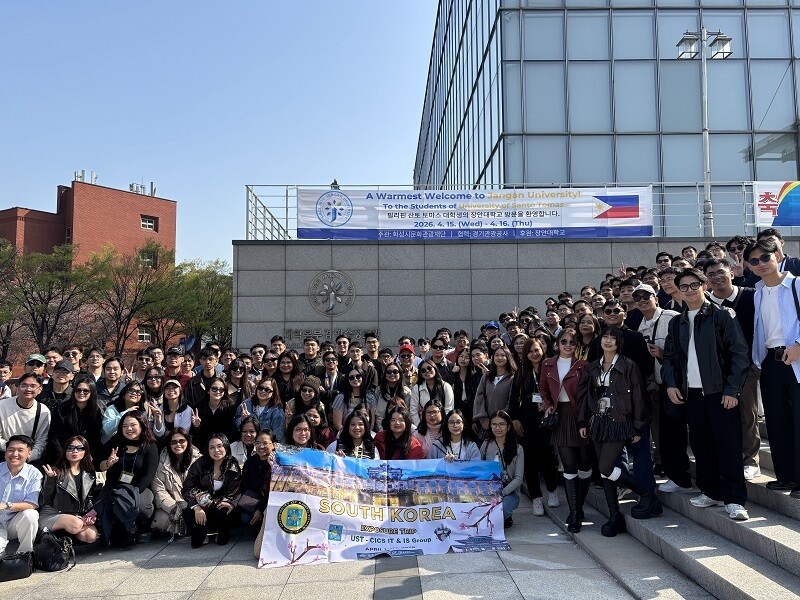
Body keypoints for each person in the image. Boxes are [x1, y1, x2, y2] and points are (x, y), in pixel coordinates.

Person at [662, 267, 750, 520]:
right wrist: (671, 384)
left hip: (720, 392)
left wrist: (732, 389)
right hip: (691, 393)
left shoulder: (722, 315)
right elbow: (669, 357)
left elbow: (739, 354)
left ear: (704, 286)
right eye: (684, 287)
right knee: (701, 445)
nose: (689, 290)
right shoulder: (677, 322)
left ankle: (735, 500)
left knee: (729, 446)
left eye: (694, 285)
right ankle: (711, 491)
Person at [578, 327, 662, 538]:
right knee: (605, 472)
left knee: (605, 467)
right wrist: (582, 421)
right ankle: (614, 516)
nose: (608, 341)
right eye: (605, 337)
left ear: (619, 343)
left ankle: (647, 494)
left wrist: (638, 426)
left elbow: (639, 396)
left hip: (621, 422)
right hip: (598, 422)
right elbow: (584, 396)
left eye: (613, 338)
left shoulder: (628, 365)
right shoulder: (593, 366)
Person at [747, 239, 800, 497]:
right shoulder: (757, 292)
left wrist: (799, 344)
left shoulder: (797, 285)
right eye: (754, 261)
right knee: (777, 421)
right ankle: (786, 477)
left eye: (765, 257)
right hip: (771, 360)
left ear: (777, 256)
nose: (761, 264)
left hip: (797, 358)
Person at [704, 258, 762, 482]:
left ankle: (751, 459)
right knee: (723, 416)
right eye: (711, 274)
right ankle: (730, 459)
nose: (717, 277)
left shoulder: (750, 296)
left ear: (731, 273)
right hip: (716, 369)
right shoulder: (705, 303)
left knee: (747, 413)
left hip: (747, 366)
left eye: (721, 272)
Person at [540, 328, 591, 533]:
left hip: (580, 416)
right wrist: (547, 405)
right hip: (559, 417)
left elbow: (587, 394)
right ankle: (575, 512)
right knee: (569, 465)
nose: (568, 345)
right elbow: (543, 389)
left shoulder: (584, 365)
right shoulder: (547, 364)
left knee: (585, 465)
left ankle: (579, 506)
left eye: (572, 342)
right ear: (557, 344)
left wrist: (584, 420)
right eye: (564, 341)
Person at [510, 337, 560, 516]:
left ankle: (552, 491)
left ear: (542, 350)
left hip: (547, 419)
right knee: (529, 461)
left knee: (547, 458)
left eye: (536, 350)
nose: (534, 354)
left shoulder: (551, 368)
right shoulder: (522, 371)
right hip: (527, 420)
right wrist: (514, 419)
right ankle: (536, 498)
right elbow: (514, 398)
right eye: (530, 351)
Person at [98, 411, 159, 545]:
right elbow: (98, 465)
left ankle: (141, 528)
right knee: (101, 507)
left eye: (133, 425)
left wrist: (129, 494)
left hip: (138, 488)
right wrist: (108, 463)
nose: (129, 429)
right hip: (113, 487)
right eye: (124, 426)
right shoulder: (115, 442)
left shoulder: (150, 446)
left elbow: (148, 476)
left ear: (142, 425)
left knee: (141, 508)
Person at [182, 433, 241, 548]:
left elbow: (235, 489)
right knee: (196, 542)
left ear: (226, 447)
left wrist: (230, 503)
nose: (216, 450)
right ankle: (203, 532)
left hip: (220, 505)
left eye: (219, 446)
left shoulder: (232, 465)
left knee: (222, 539)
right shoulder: (199, 464)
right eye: (212, 447)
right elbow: (187, 488)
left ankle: (220, 531)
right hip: (202, 503)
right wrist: (197, 507)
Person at [39, 435, 98, 543]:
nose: (74, 451)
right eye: (70, 448)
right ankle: (51, 538)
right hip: (52, 514)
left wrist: (90, 515)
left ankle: (63, 542)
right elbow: (44, 500)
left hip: (75, 516)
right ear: (65, 451)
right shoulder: (55, 471)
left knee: (91, 536)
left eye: (79, 448)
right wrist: (50, 480)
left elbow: (89, 499)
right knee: (76, 524)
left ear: (85, 451)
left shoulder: (89, 474)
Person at [151, 428, 201, 536]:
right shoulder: (161, 462)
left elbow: (203, 486)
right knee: (160, 522)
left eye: (181, 441)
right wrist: (176, 507)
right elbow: (158, 490)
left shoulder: (199, 460)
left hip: (194, 504)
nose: (178, 444)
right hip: (172, 505)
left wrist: (191, 505)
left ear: (188, 441)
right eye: (174, 442)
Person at [480, 410, 524, 528]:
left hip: (509, 493)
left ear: (508, 427)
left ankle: (506, 516)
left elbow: (519, 478)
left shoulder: (518, 449)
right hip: (487, 491)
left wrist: (501, 493)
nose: (497, 428)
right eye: (494, 424)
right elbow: (479, 469)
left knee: (499, 511)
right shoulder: (486, 444)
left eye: (502, 424)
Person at [46, 376, 103, 466]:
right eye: (78, 390)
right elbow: (55, 438)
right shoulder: (61, 410)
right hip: (61, 457)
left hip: (85, 458)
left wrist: (87, 458)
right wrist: (63, 459)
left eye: (86, 391)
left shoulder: (95, 411)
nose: (81, 393)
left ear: (92, 392)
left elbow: (95, 438)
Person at [0, 435, 42, 556]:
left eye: (20, 450)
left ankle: (24, 553)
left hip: (14, 522)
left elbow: (32, 504)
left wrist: (6, 505)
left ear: (29, 454)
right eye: (11, 450)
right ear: (5, 453)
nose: (15, 454)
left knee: (31, 514)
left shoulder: (34, 474)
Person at [0, 372, 51, 465]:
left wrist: (27, 457)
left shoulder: (43, 411)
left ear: (40, 389)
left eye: (33, 386)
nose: (28, 389)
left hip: (28, 458)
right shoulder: (2, 406)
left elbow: (41, 441)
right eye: (24, 385)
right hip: (3, 453)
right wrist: (12, 451)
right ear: (18, 387)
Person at [473, 347, 516, 441]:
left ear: (508, 357)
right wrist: (482, 418)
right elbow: (479, 397)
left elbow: (512, 400)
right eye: (496, 355)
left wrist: (500, 419)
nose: (499, 358)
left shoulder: (513, 377)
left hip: (505, 423)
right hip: (487, 424)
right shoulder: (487, 376)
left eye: (503, 355)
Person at [238, 430, 275, 527]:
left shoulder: (278, 463)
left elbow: (274, 490)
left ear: (273, 445)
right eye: (257, 443)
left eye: (265, 443)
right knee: (244, 517)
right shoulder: (250, 463)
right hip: (253, 501)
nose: (261, 446)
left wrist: (260, 509)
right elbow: (245, 486)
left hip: (271, 502)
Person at [235, 377, 285, 443]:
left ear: (273, 393)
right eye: (260, 388)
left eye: (267, 390)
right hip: (246, 443)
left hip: (265, 445)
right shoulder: (246, 404)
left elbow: (278, 436)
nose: (263, 391)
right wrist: (243, 420)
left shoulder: (277, 410)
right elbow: (236, 427)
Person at [409, 359, 454, 426]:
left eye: (429, 368)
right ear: (421, 373)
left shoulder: (446, 386)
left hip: (443, 425)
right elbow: (413, 411)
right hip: (424, 425)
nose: (427, 371)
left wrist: (443, 426)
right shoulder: (417, 388)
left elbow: (449, 409)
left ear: (435, 368)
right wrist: (420, 426)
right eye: (423, 370)